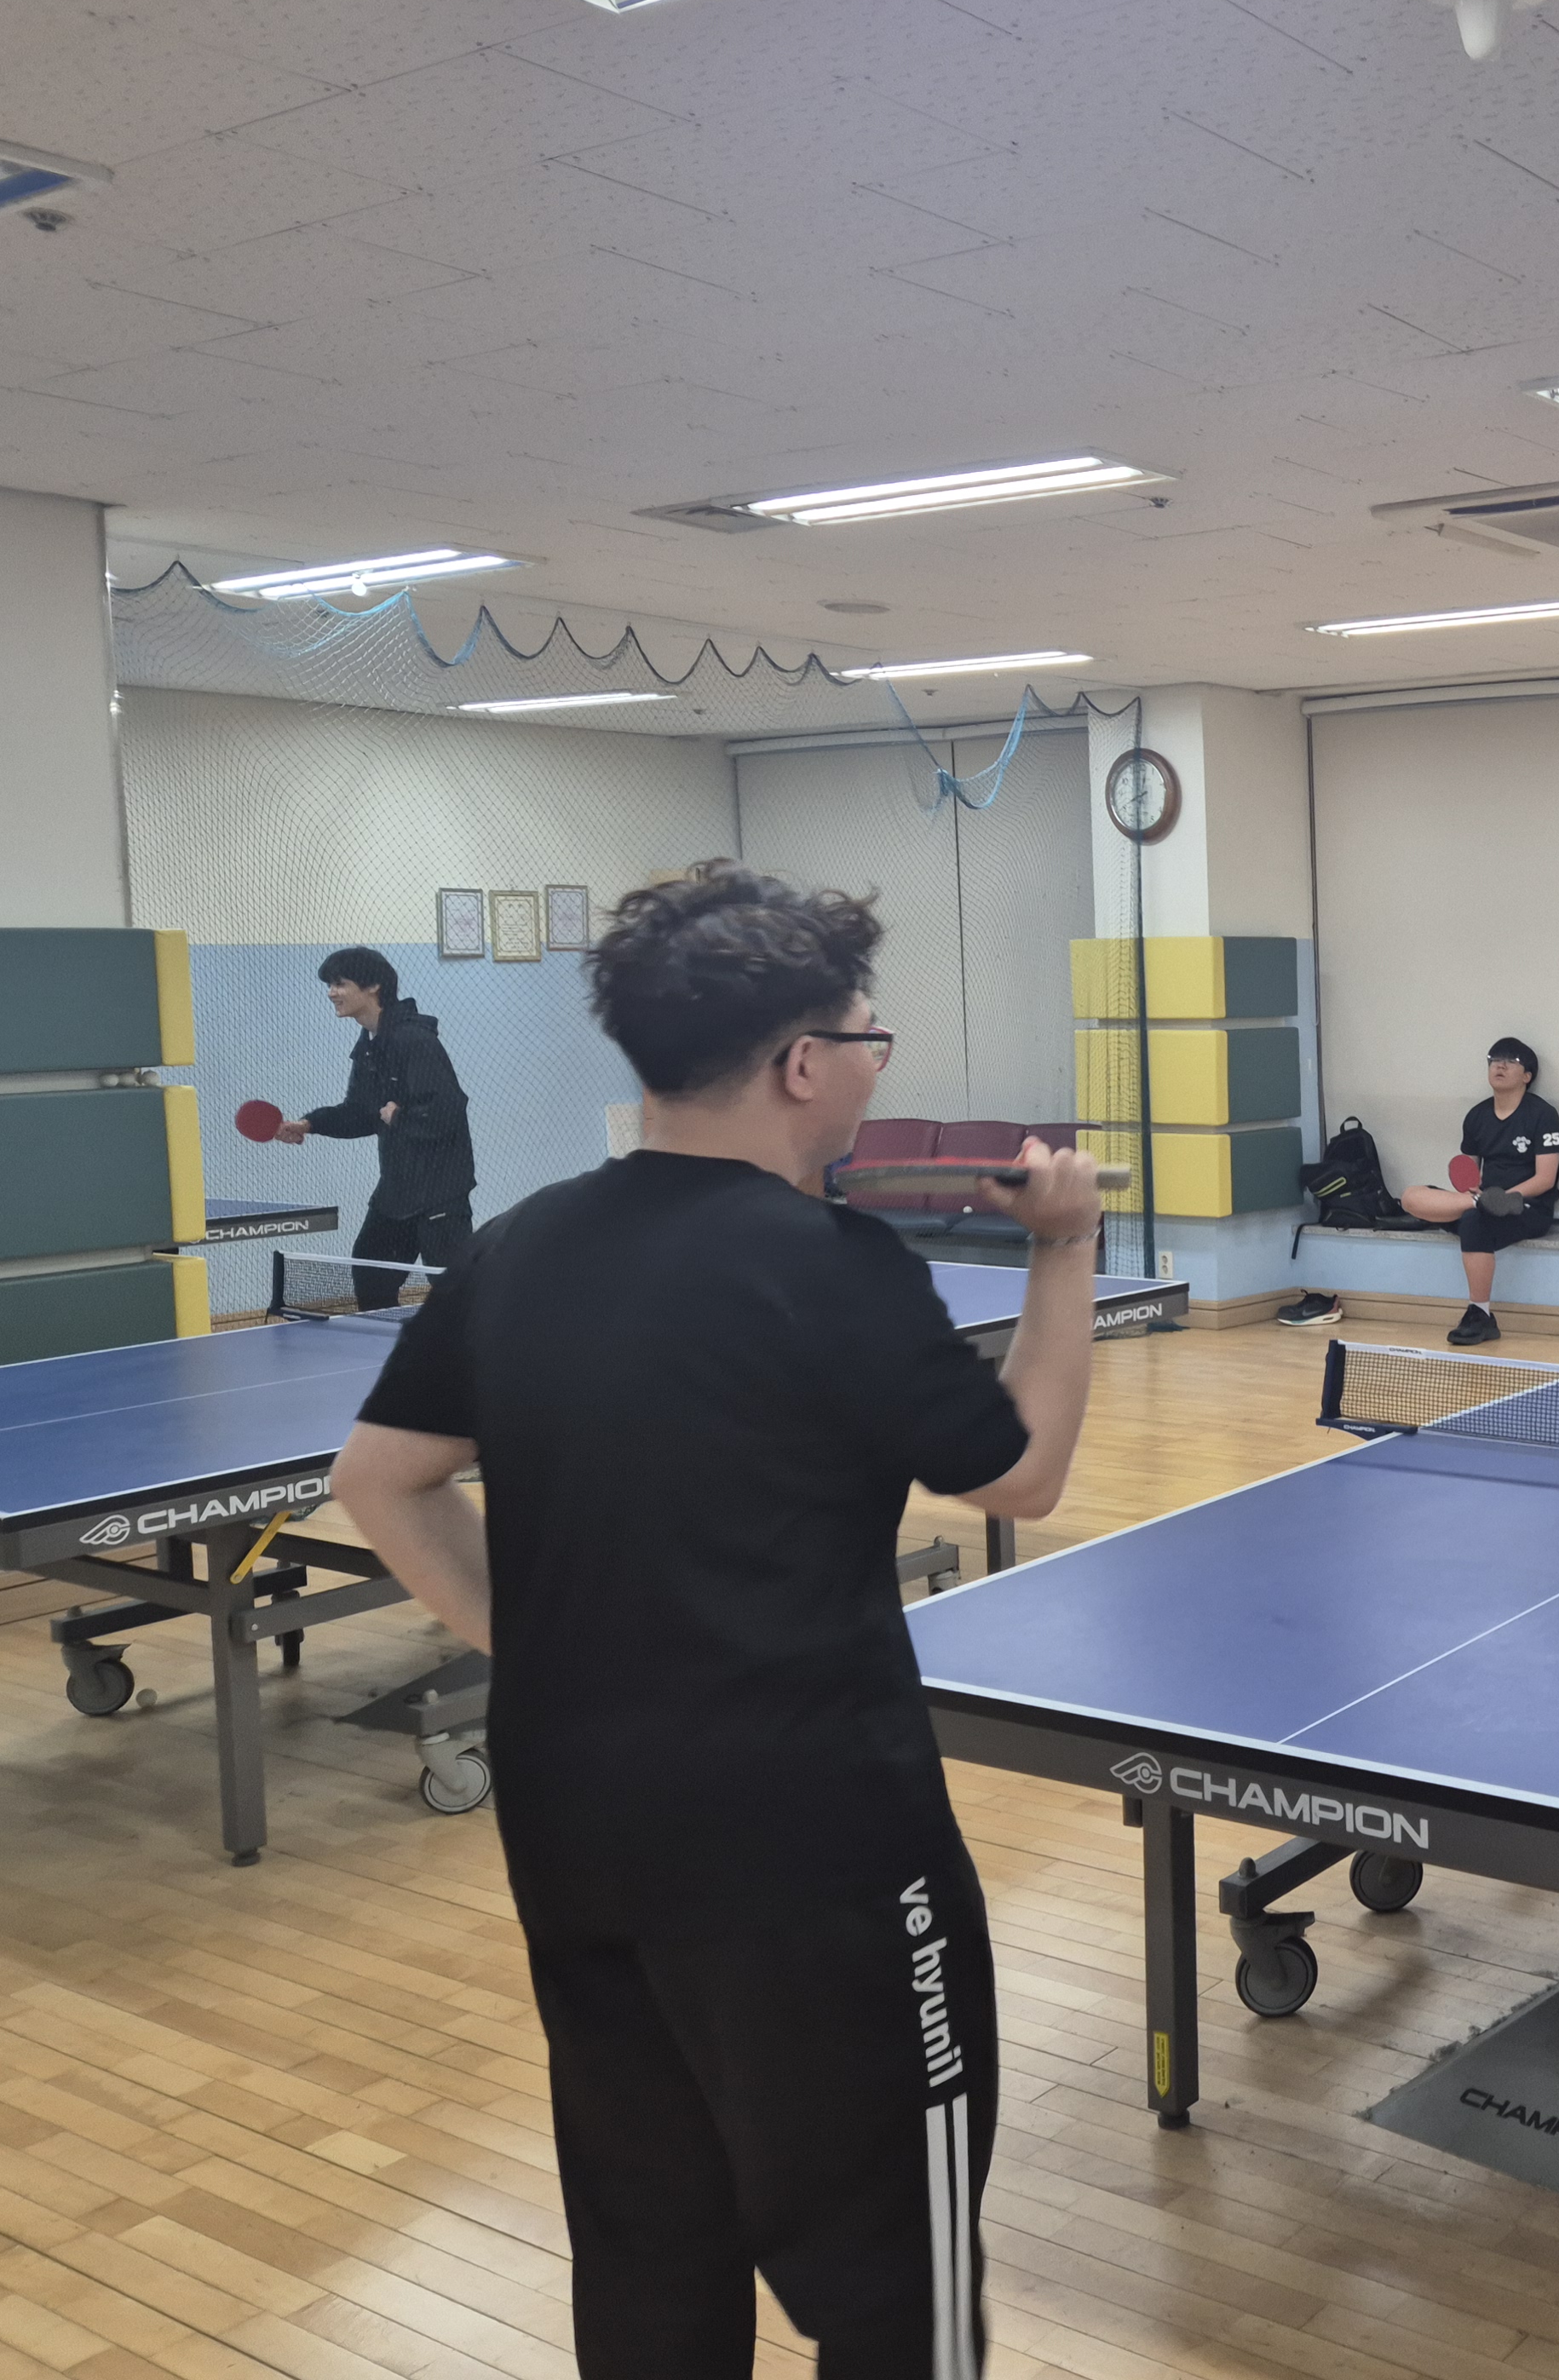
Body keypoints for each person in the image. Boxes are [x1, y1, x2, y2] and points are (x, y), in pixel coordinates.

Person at [329, 860, 1107, 2378]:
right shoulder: (832, 1263)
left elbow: (383, 1482)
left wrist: (539, 1653)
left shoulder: (523, 1242)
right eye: (870, 1039)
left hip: (577, 1821)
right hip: (814, 1844)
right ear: (804, 1063)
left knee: (650, 2241)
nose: (877, 1068)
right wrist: (1062, 1247)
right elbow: (1021, 1472)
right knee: (894, 2276)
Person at [275, 946, 475, 1310]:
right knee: (370, 1273)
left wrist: (398, 1117)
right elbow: (360, 1113)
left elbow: (447, 1111)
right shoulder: (369, 1045)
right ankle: (386, 1347)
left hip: (440, 1194)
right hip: (397, 1192)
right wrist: (309, 1123)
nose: (331, 993)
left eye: (340, 984)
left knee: (457, 1296)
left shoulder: (415, 1041)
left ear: (373, 987)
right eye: (330, 985)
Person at [1396, 1037, 1559, 1346]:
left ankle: (1481, 1315)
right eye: (1494, 1059)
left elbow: (1545, 1179)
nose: (1500, 1065)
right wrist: (1479, 1197)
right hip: (1482, 1201)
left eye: (1511, 1061)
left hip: (1527, 1207)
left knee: (1473, 1221)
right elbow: (1469, 1174)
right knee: (1411, 1196)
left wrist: (1506, 1198)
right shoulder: (1477, 1116)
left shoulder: (1542, 1114)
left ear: (1527, 1076)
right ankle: (1478, 1204)